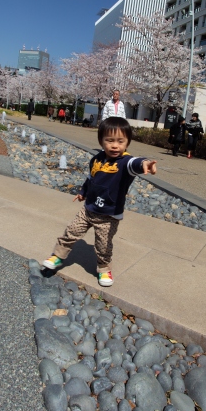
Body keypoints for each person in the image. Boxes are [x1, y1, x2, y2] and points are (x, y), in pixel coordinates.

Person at [42, 117, 157, 287]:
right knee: (71, 231)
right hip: (88, 209)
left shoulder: (125, 162)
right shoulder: (96, 159)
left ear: (127, 143)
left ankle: (104, 268)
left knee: (103, 246)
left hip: (108, 215)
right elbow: (91, 178)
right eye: (109, 140)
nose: (115, 145)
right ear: (101, 141)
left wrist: (145, 163)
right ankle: (58, 256)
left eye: (120, 141)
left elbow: (137, 163)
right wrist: (83, 192)